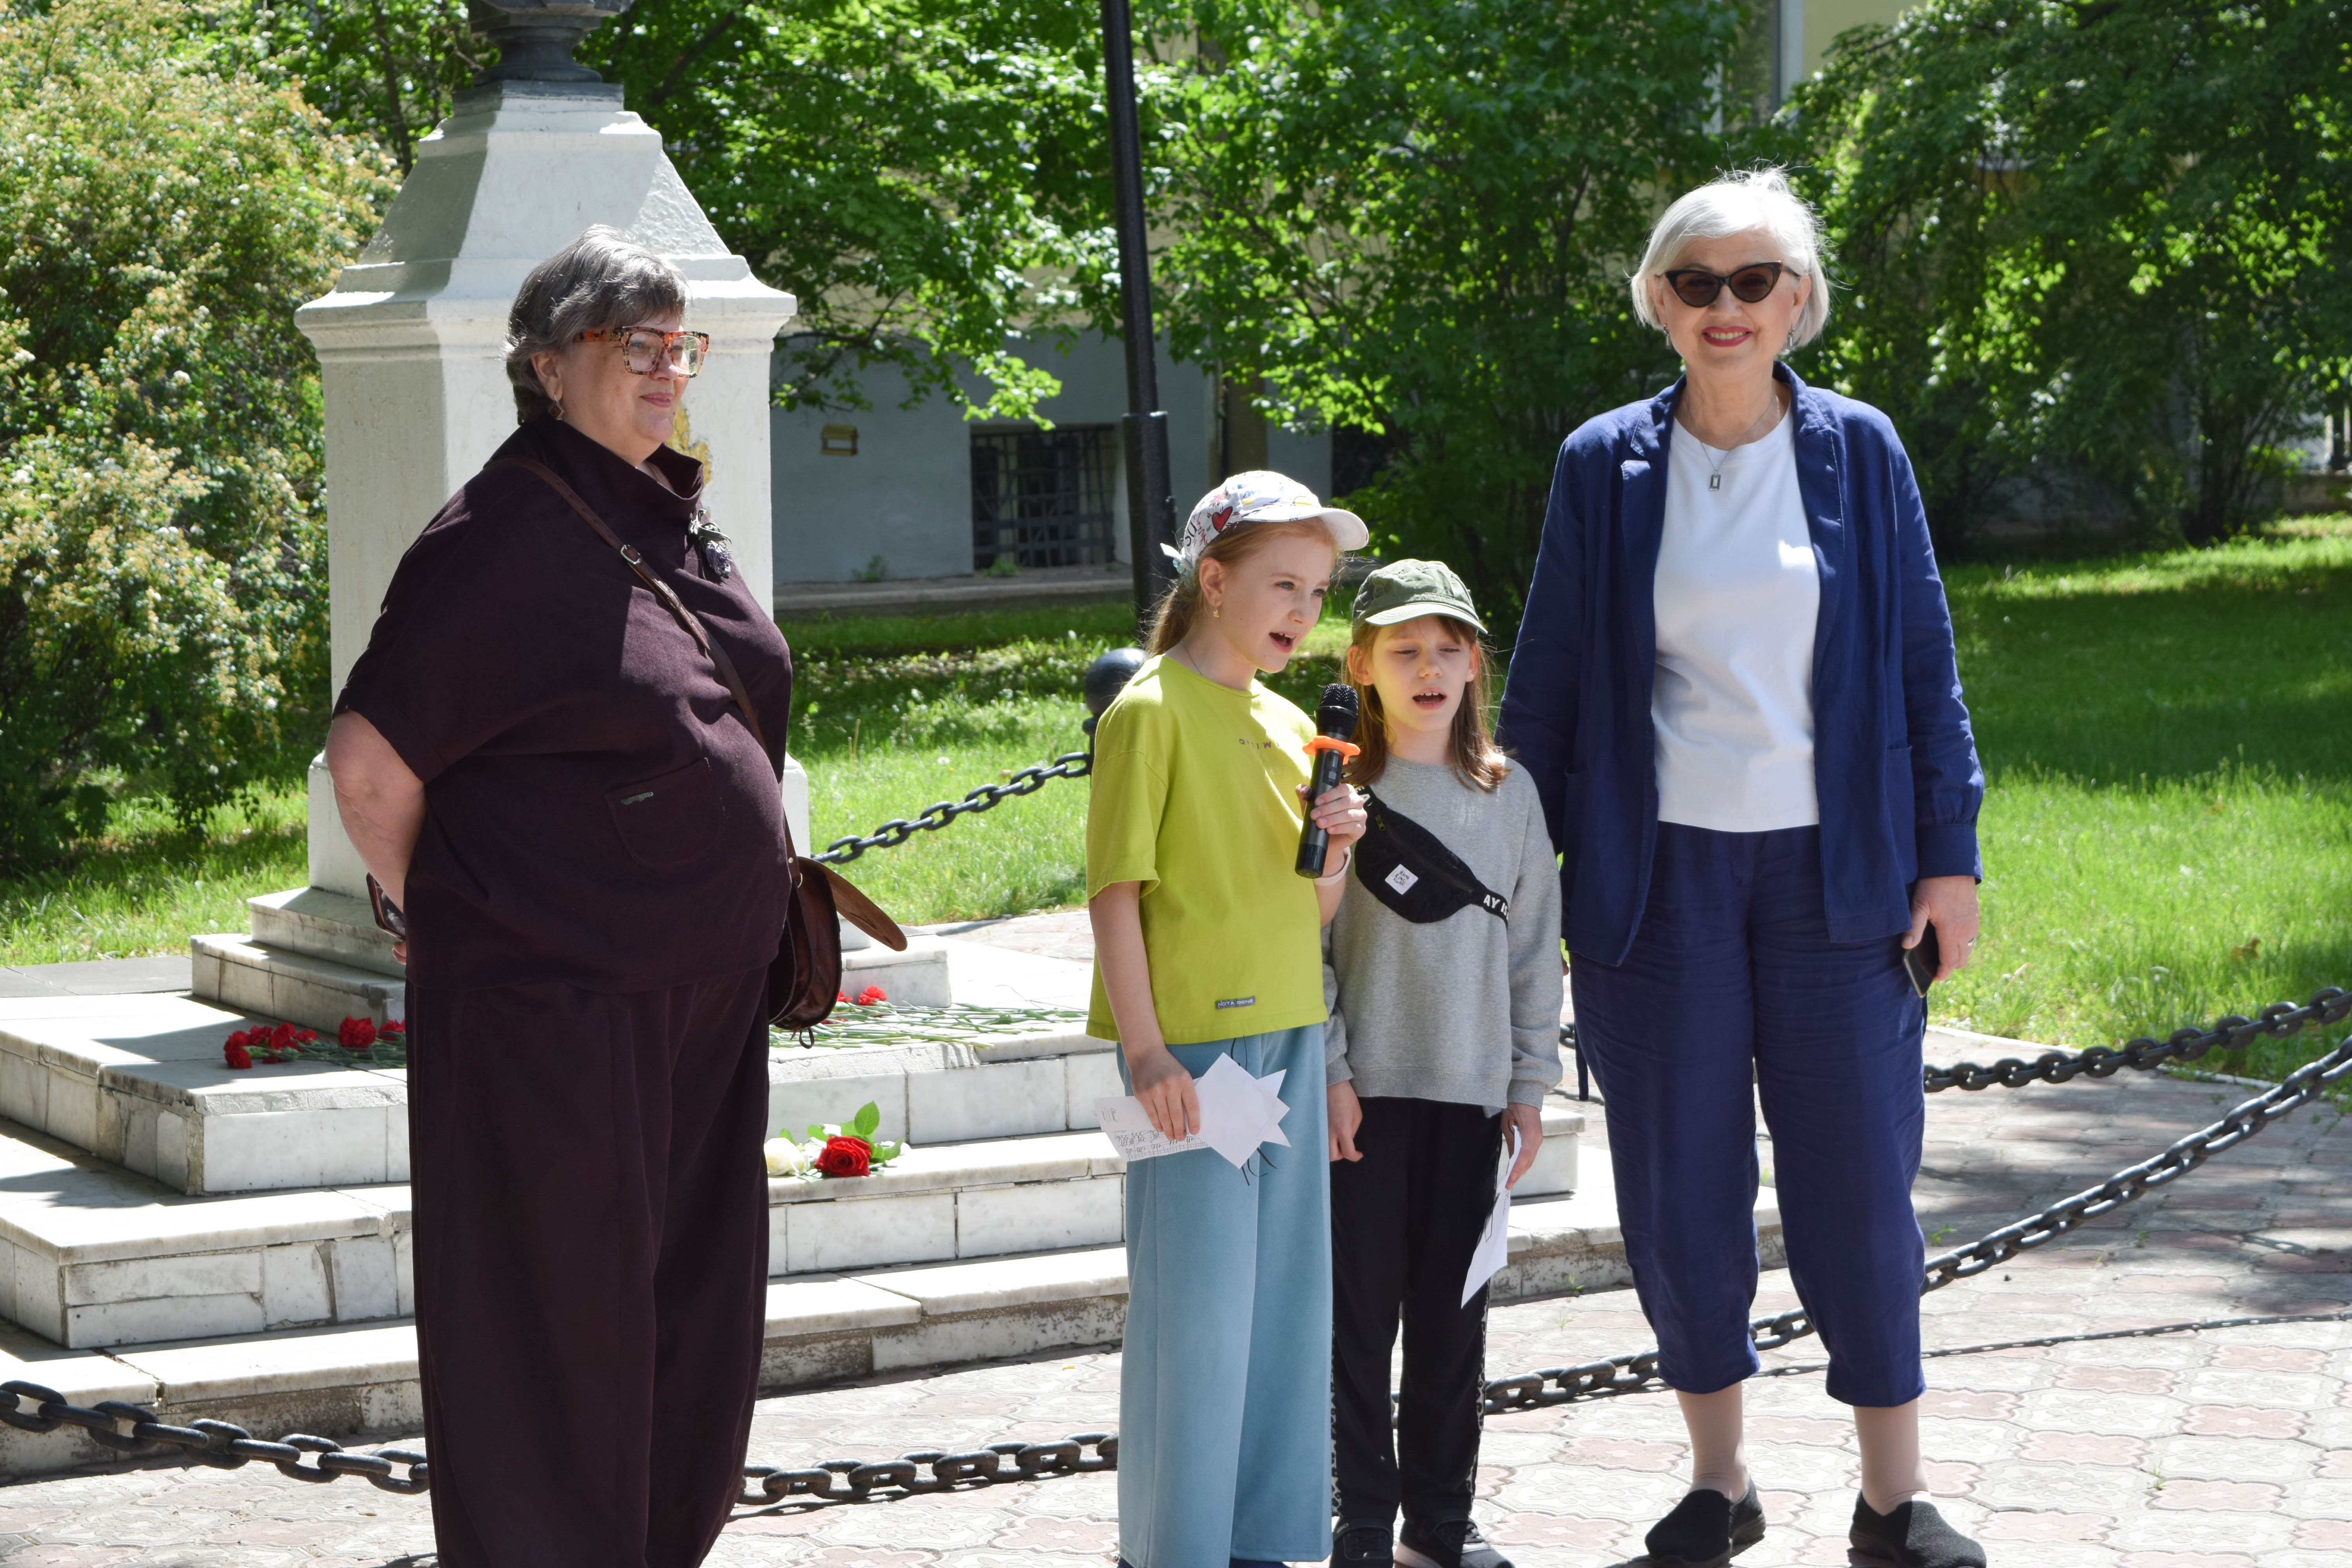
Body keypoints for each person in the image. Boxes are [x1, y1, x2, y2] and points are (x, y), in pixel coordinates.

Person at [1497, 169, 1989, 1568]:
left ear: (1800, 302)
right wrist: (1510, 866)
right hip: (1657, 887)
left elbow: (1922, 671)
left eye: (1754, 281)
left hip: (1841, 883)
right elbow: (1547, 683)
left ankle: (1894, 1500)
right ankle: (1720, 1480)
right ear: (1658, 301)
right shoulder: (1605, 461)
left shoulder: (1861, 450)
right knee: (1678, 1187)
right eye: (1697, 282)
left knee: (1856, 1186)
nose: (1726, 306)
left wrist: (1947, 860)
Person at [324, 226, 791, 1568]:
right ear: (546, 365)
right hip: (554, 1003)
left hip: (696, 994)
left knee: (688, 1314)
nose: (664, 364)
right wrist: (477, 915)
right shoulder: (501, 536)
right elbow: (371, 767)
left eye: (676, 341)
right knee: (557, 1327)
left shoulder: (661, 516)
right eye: (630, 341)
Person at [1087, 471, 1371, 1568]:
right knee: (1195, 1322)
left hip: (1291, 1037)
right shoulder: (1149, 710)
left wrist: (1337, 847)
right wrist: (1146, 1047)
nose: (1304, 610)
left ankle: (1257, 1542)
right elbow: (1116, 891)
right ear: (1214, 581)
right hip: (1190, 1056)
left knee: (1281, 1319)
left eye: (1318, 590)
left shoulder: (1297, 721)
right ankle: (1174, 1549)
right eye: (1283, 585)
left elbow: (1315, 908)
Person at [1322, 561, 1564, 1568]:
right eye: (1405, 648)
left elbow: (1533, 947)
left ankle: (1439, 1519)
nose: (1430, 667)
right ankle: (1364, 1520)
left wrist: (1528, 1083)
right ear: (1363, 665)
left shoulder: (1511, 794)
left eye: (1449, 646)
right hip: (1365, 1099)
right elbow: (1311, 949)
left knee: (1452, 1325)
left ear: (1476, 662)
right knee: (1358, 1321)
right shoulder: (1338, 792)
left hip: (1469, 1100)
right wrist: (1333, 1069)